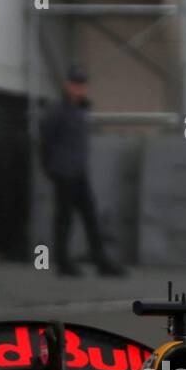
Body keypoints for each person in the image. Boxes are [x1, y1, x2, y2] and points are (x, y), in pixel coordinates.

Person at [39, 65, 127, 277]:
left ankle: (100, 260)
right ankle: (63, 262)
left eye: (82, 85)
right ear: (68, 85)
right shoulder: (57, 110)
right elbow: (46, 141)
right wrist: (49, 168)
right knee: (64, 219)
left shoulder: (83, 109)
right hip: (64, 172)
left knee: (90, 217)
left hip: (79, 172)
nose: (78, 89)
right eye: (75, 85)